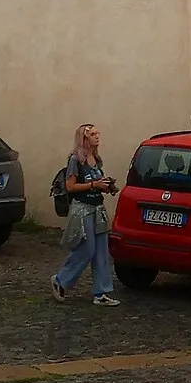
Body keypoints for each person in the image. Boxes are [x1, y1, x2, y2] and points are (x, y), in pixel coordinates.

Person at [51, 123, 119, 306]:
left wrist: (105, 186)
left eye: (98, 133)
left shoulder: (96, 159)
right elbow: (70, 186)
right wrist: (94, 185)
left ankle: (102, 292)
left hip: (97, 208)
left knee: (101, 251)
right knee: (86, 249)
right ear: (84, 138)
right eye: (93, 134)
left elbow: (96, 181)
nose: (97, 137)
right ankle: (61, 280)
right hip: (82, 208)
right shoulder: (75, 160)